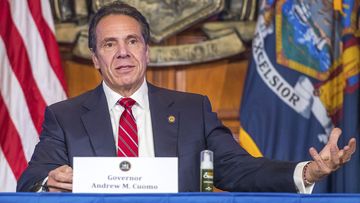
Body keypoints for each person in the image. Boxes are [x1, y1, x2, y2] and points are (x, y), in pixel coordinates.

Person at [17, 1, 356, 193]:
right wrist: (49, 180)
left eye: (132, 41)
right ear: (95, 59)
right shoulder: (66, 116)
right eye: (109, 44)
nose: (123, 53)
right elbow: (29, 181)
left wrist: (308, 171)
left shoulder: (193, 110)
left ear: (146, 51)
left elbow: (239, 169)